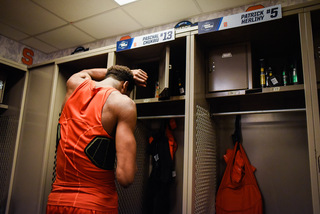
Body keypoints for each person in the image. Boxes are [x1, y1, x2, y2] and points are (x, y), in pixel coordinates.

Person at [46, 65, 148, 214]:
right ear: (125, 86)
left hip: (57, 201)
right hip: (96, 204)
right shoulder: (123, 103)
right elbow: (125, 177)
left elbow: (87, 72)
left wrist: (128, 73)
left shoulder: (74, 83)